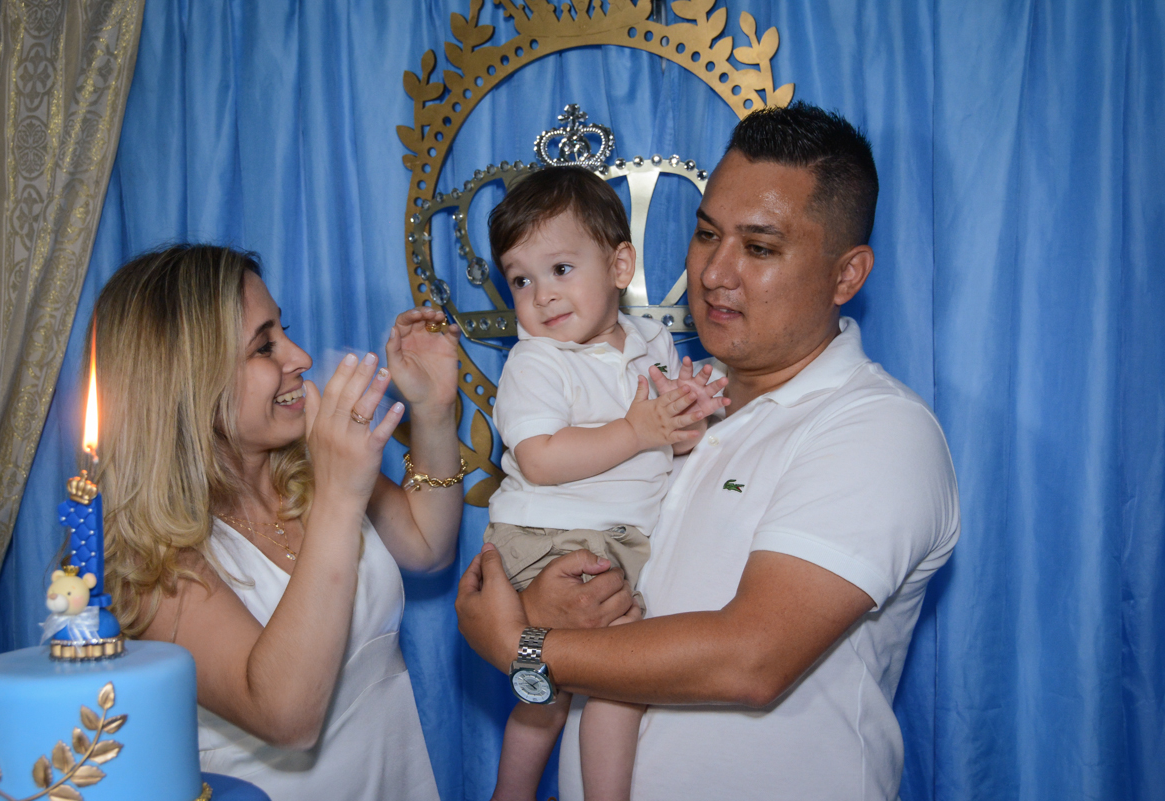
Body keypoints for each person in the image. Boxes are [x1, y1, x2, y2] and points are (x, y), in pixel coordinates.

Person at [457, 102, 960, 800]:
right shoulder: (669, 395)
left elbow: (751, 658)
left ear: (846, 275)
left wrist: (524, 649)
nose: (715, 272)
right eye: (705, 234)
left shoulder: (876, 429)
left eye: (758, 247)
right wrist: (551, 603)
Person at [92, 245, 464, 801]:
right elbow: (287, 717)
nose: (301, 356)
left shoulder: (307, 466)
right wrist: (339, 497)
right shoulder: (150, 560)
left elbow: (428, 546)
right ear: (188, 380)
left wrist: (434, 412)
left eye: (284, 331)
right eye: (265, 346)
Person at [482, 166, 727, 801]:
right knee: (614, 672)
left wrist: (690, 415)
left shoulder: (653, 343)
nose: (541, 296)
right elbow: (538, 457)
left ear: (621, 266)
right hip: (546, 535)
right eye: (520, 280)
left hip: (617, 536)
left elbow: (674, 443)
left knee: (582, 684)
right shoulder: (536, 360)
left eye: (561, 269)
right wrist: (638, 431)